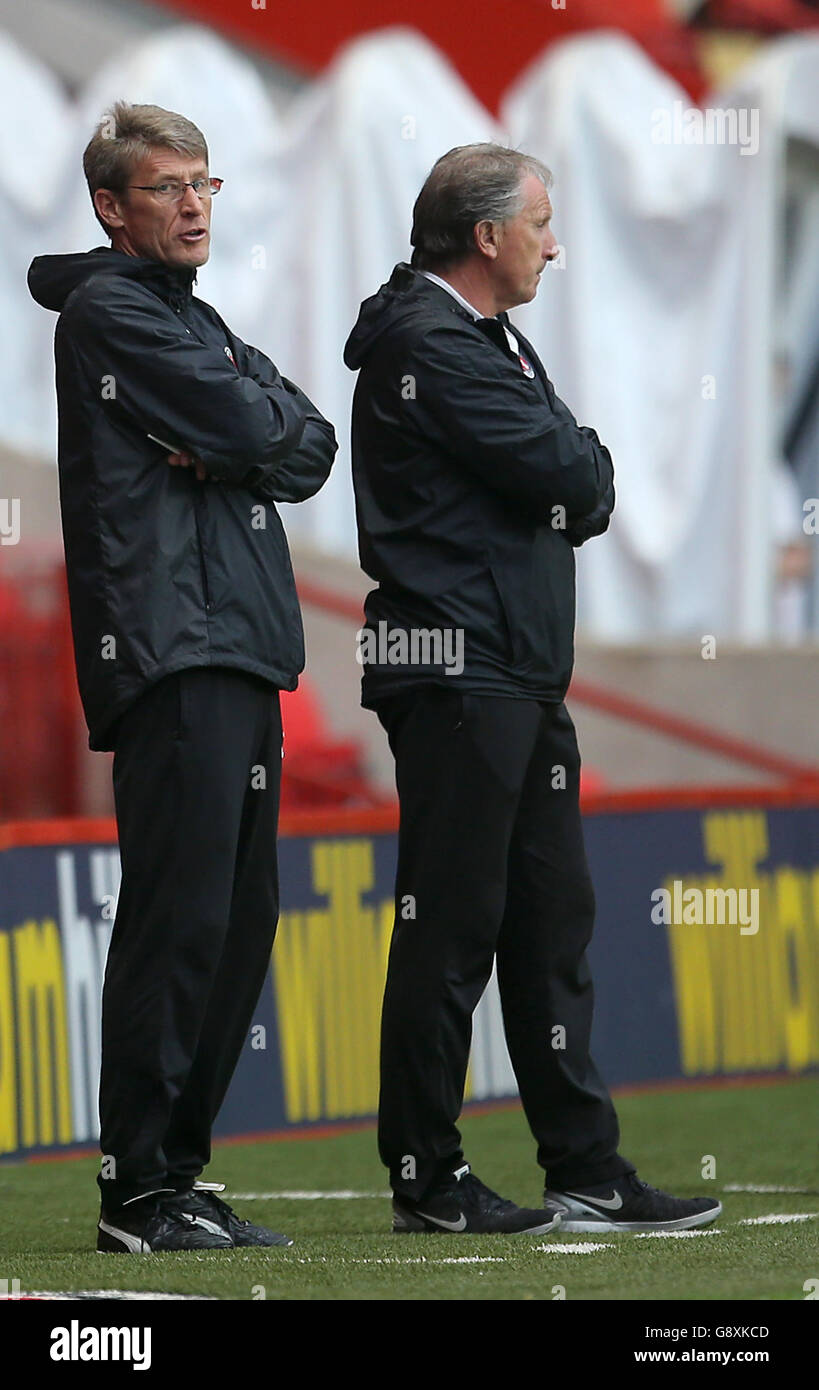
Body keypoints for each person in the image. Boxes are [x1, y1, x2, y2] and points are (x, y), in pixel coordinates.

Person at [344, 143, 722, 1236]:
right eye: (543, 223)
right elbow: (574, 475)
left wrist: (577, 462)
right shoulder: (432, 344)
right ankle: (426, 1174)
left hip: (512, 667)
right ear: (487, 236)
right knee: (451, 925)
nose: (557, 245)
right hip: (455, 666)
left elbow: (579, 476)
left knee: (550, 924)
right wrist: (577, 460)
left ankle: (584, 1166)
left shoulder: (483, 339)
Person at [28, 102, 337, 1253]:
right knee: (179, 916)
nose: (195, 202)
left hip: (239, 645)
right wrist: (241, 437)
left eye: (205, 182)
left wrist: (234, 437)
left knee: (237, 915)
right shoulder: (112, 311)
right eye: (167, 186)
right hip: (174, 647)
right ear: (112, 207)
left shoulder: (190, 321)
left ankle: (177, 1173)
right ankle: (139, 1189)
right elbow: (265, 433)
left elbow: (309, 442)